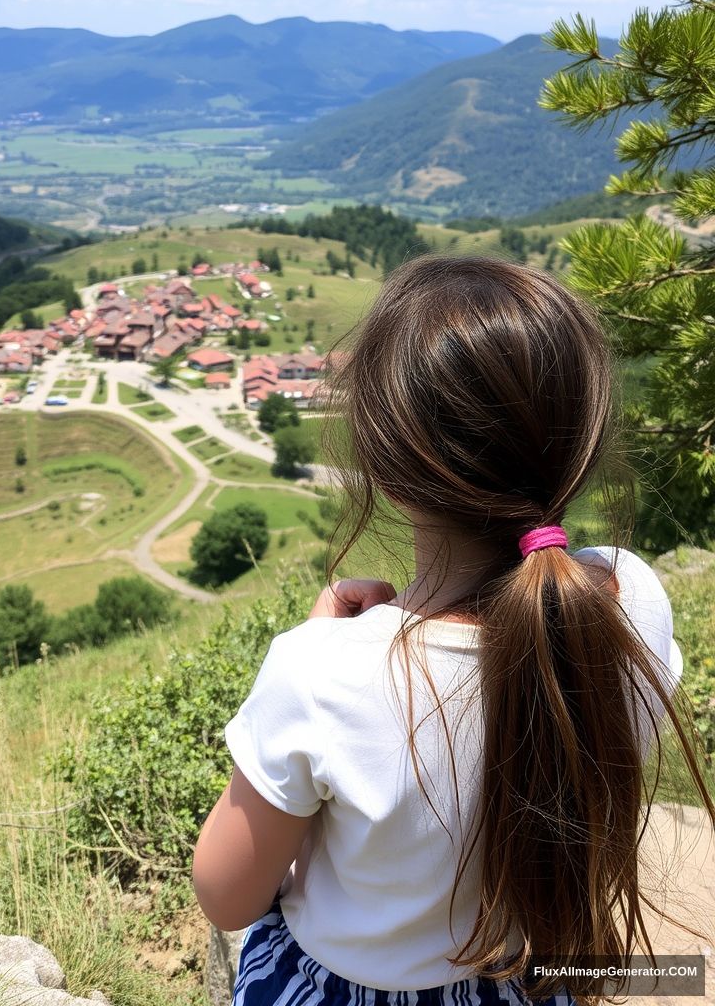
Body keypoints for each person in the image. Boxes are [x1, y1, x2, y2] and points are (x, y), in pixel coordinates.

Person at [192, 256, 714, 1006]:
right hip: (533, 980)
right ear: (582, 446)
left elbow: (227, 897)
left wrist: (322, 652)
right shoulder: (632, 602)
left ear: (387, 470)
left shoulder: (321, 675)